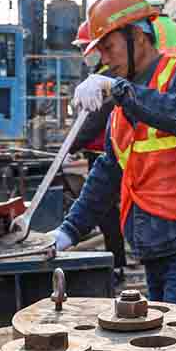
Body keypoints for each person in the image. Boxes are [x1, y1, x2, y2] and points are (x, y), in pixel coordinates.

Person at [54, 0, 176, 306]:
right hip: (154, 239)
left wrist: (117, 89)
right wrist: (69, 230)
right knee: (165, 334)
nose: (106, 60)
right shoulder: (122, 107)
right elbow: (107, 173)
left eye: (109, 47)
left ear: (138, 37)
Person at [66, 20, 127, 274]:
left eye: (86, 48)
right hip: (100, 150)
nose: (84, 54)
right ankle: (117, 261)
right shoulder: (100, 75)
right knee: (105, 209)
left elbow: (95, 120)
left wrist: (70, 146)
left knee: (106, 209)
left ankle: (117, 262)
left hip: (108, 151)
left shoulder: (109, 78)